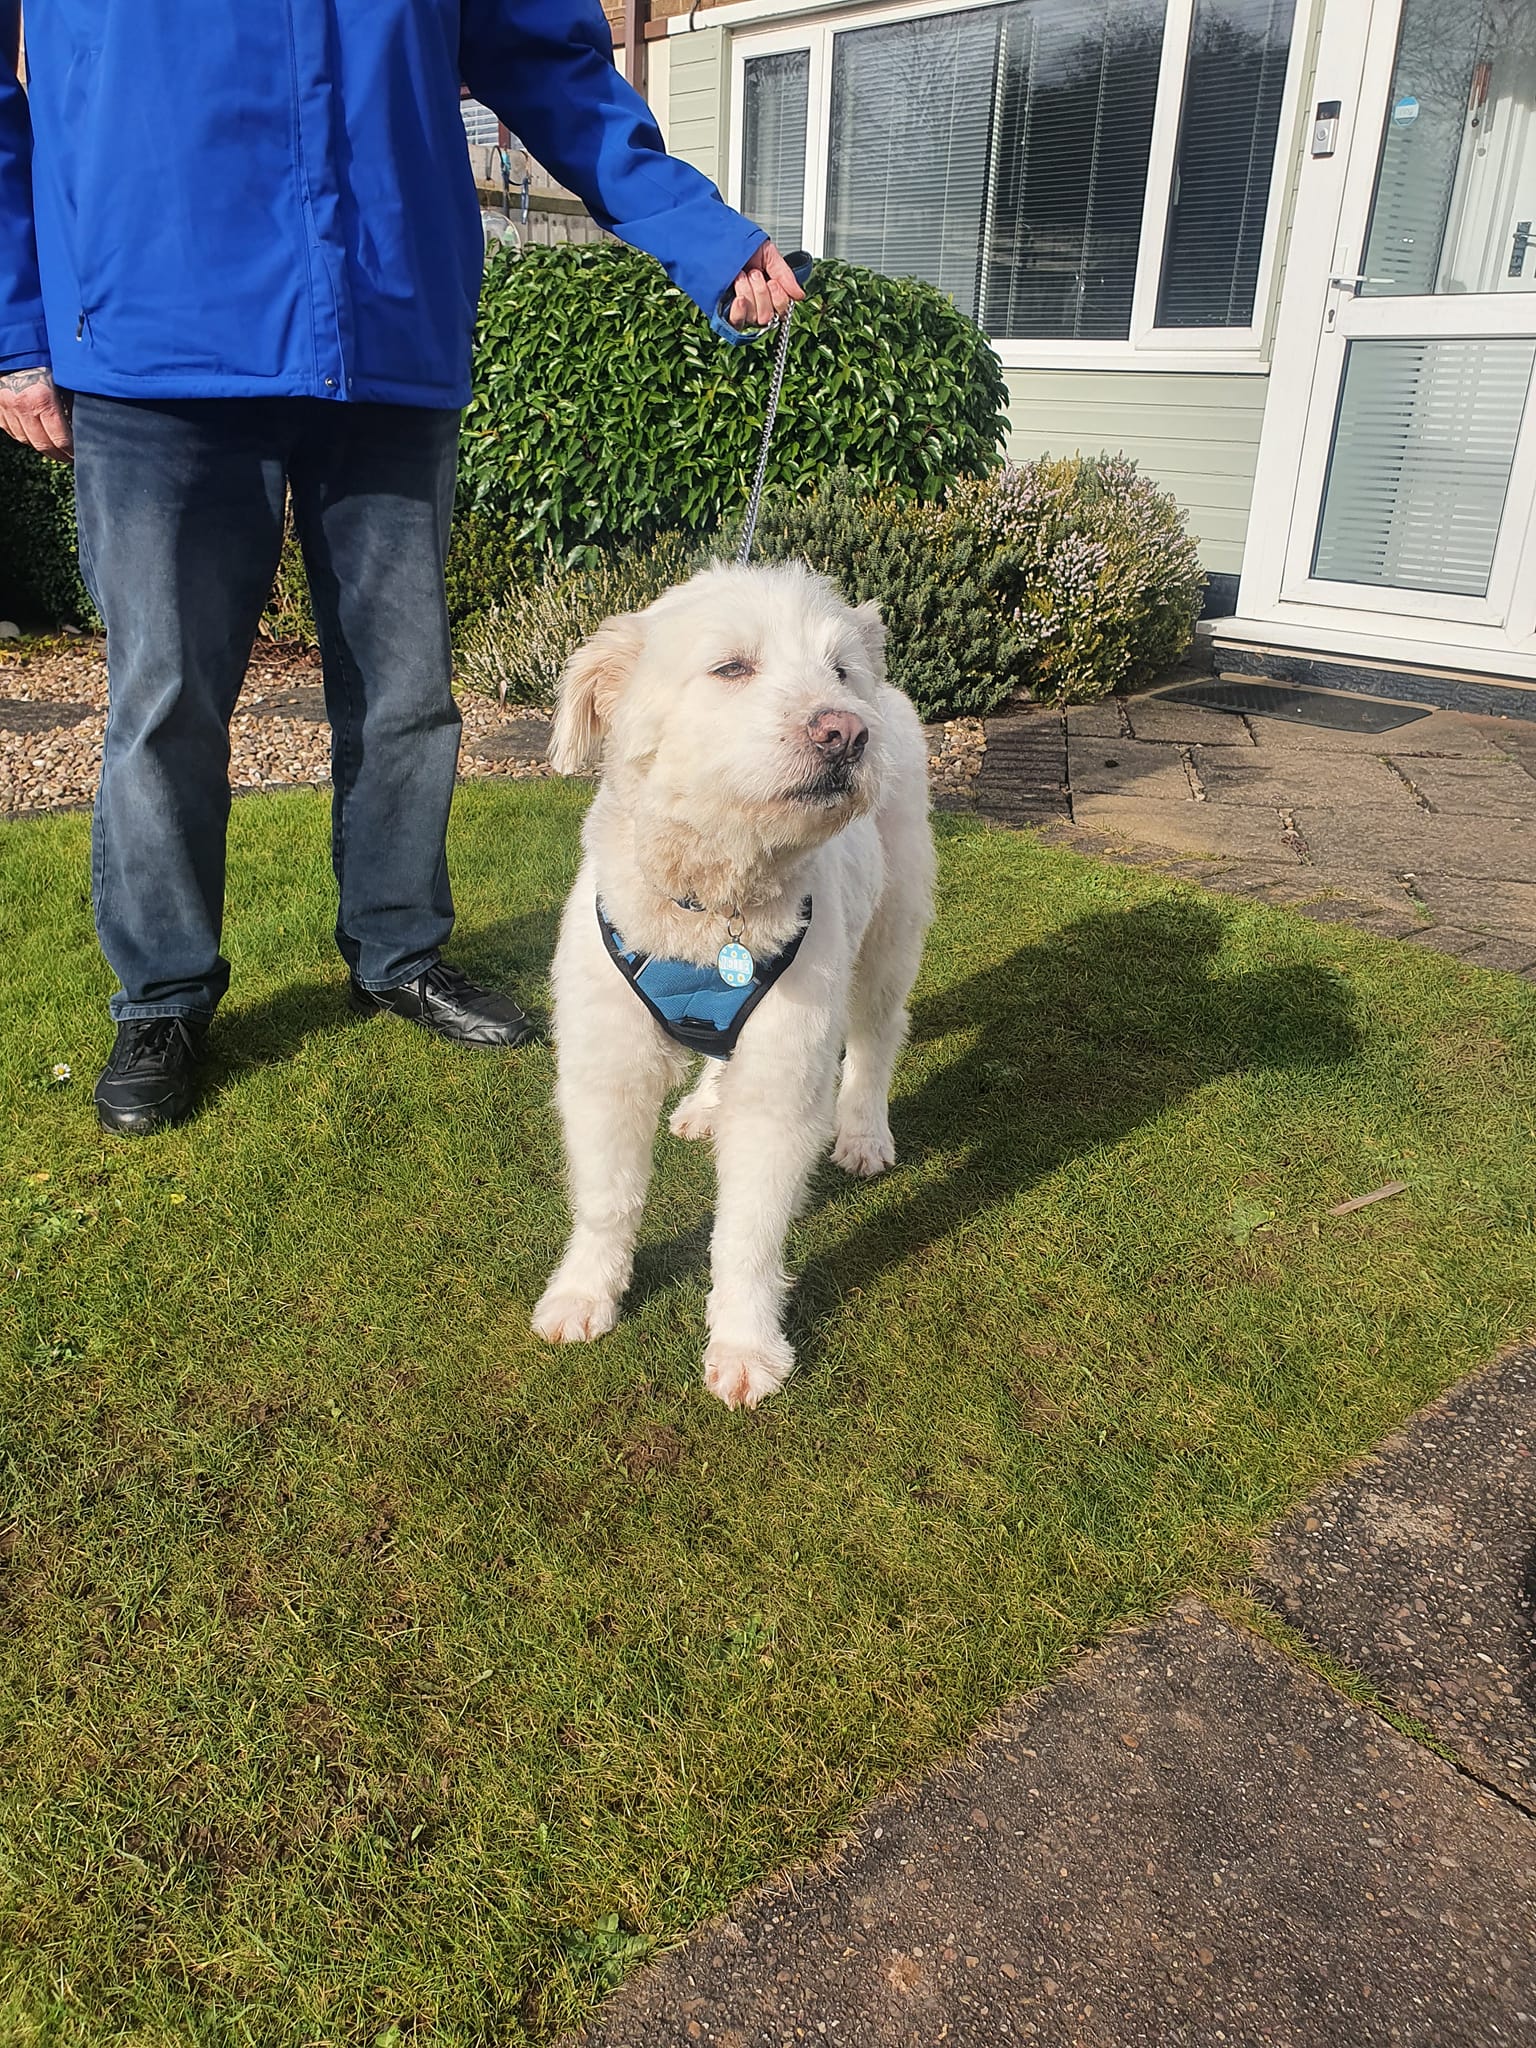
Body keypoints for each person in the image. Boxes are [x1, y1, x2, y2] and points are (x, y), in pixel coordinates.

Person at [0, 0, 801, 1136]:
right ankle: (163, 997)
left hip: (383, 325)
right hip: (151, 331)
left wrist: (703, 234)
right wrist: (14, 325)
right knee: (165, 699)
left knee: (406, 696)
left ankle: (396, 950)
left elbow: (545, 57)